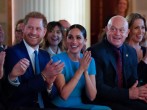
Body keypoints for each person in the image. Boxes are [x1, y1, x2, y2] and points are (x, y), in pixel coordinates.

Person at [3, 11, 64, 109]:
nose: (33, 32)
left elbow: (52, 95)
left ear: (44, 32)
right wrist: (43, 75)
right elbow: (14, 93)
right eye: (30, 27)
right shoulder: (11, 53)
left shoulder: (45, 55)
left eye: (38, 28)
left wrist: (49, 85)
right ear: (23, 29)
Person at [88, 15, 147, 110]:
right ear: (107, 30)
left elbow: (133, 81)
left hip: (125, 98)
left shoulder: (131, 51)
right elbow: (98, 88)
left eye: (122, 30)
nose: (117, 33)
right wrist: (128, 94)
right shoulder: (94, 52)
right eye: (113, 29)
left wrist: (142, 92)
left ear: (127, 33)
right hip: (104, 100)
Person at [51, 24, 111, 110]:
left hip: (79, 105)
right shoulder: (57, 59)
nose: (74, 41)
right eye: (70, 37)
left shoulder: (90, 60)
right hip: (60, 106)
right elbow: (64, 95)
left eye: (78, 38)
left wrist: (85, 72)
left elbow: (92, 96)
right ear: (66, 40)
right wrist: (80, 69)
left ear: (85, 41)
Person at [125, 13, 147, 85]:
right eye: (136, 28)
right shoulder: (122, 51)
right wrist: (145, 60)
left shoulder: (145, 50)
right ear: (128, 30)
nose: (141, 32)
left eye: (143, 27)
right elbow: (131, 79)